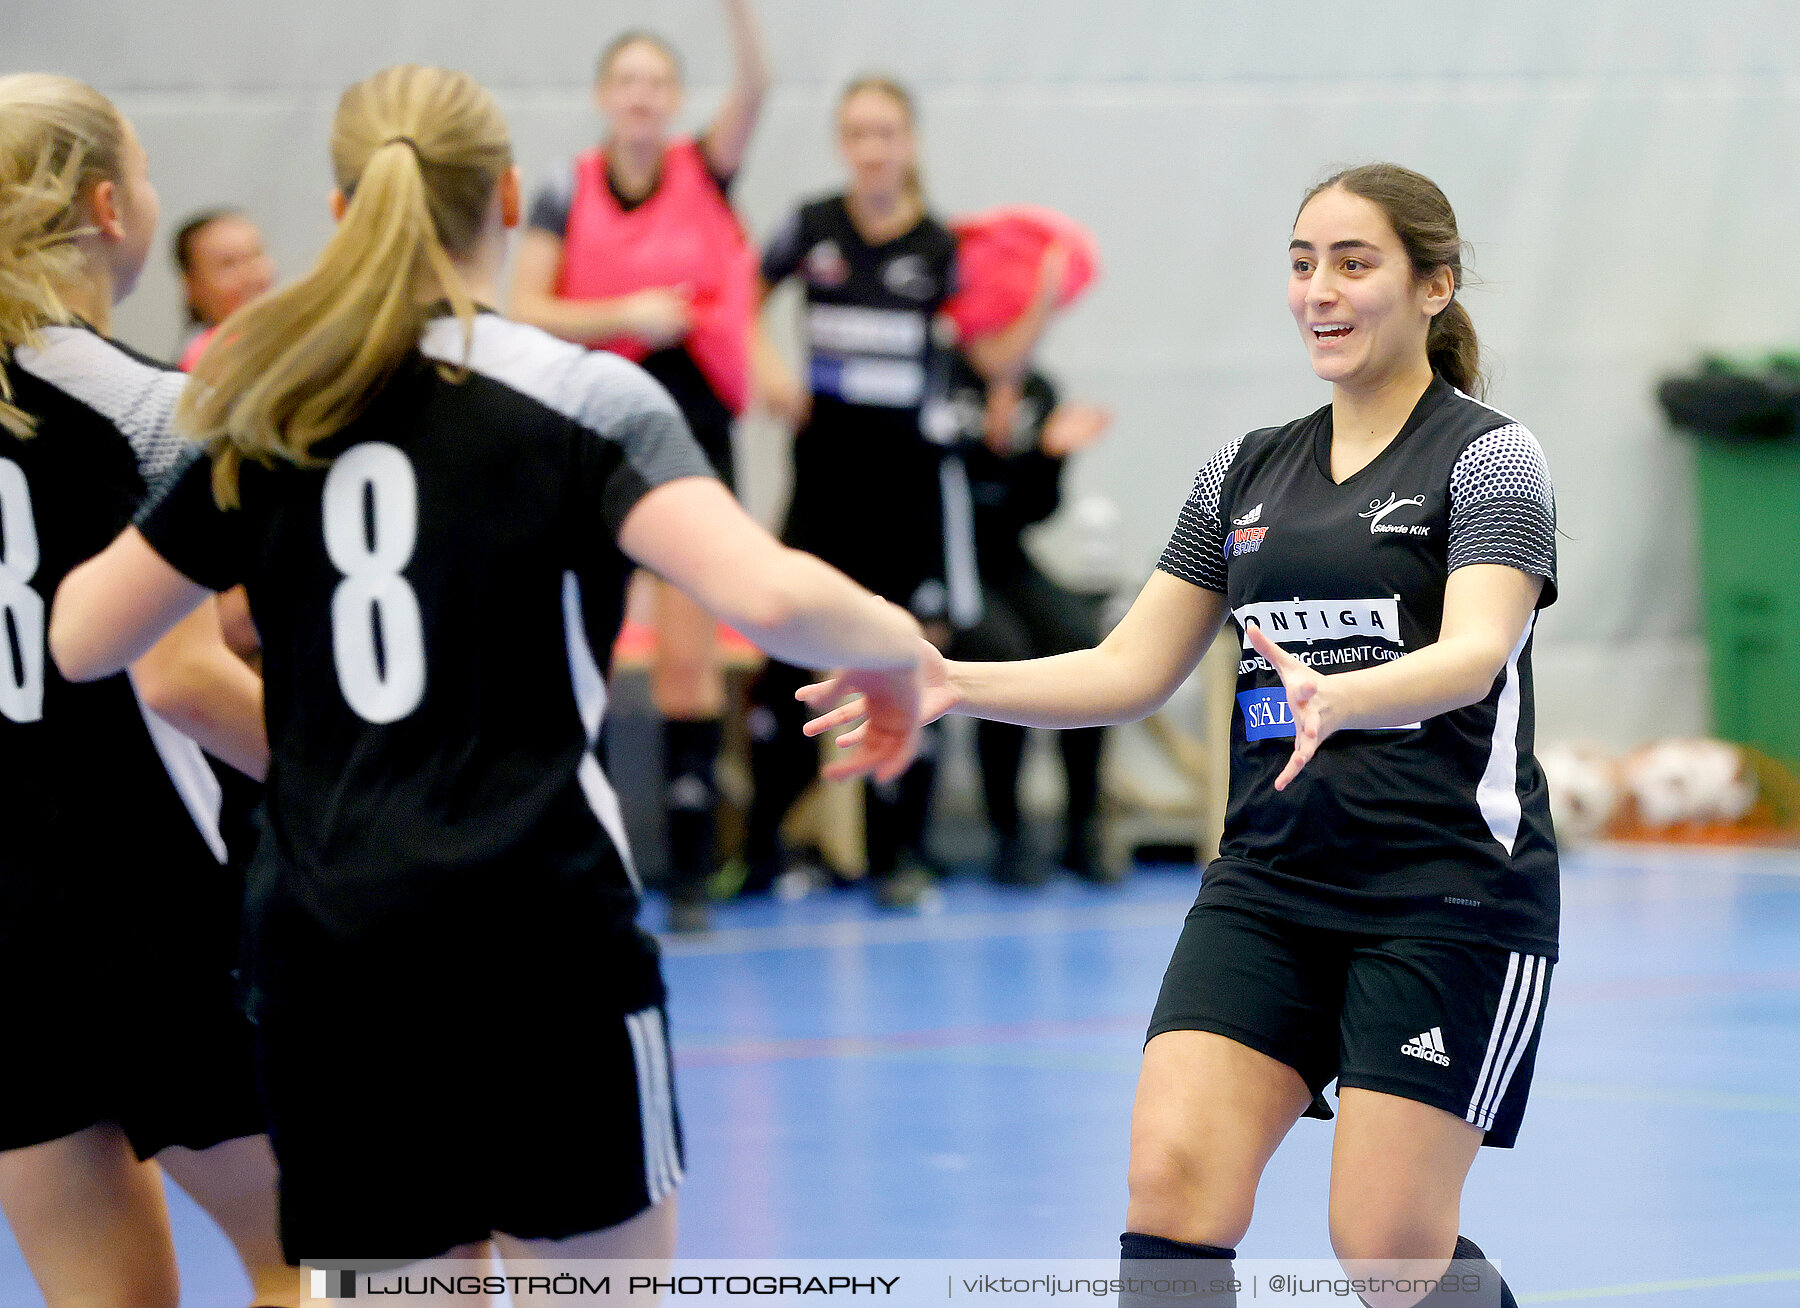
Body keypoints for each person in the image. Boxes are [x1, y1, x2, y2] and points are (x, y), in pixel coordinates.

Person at [49, 64, 923, 1274]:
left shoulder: (270, 403)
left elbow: (87, 636)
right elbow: (768, 593)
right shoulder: (582, 394)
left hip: (330, 954)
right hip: (540, 940)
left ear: (343, 212)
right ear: (510, 198)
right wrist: (902, 658)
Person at [805, 163, 1556, 1308]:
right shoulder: (1244, 471)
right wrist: (951, 682)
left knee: (1388, 1246)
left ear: (1434, 287)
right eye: (1303, 263)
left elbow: (1476, 650)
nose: (1320, 290)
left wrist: (1347, 695)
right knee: (1170, 1185)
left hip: (1444, 891)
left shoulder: (1491, 458)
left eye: (1355, 264)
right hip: (1269, 884)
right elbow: (1127, 667)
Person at [0, 73, 295, 1308]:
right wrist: (350, 783)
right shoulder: (151, 408)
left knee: (102, 1297)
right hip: (158, 890)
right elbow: (177, 678)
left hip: (8, 910)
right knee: (319, 1261)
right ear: (110, 207)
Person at [509, 2, 769, 934]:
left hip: (688, 430)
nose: (642, 97)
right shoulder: (564, 186)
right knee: (581, 640)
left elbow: (756, 91)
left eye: (657, 83)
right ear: (603, 97)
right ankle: (586, 856)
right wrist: (630, 310)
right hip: (589, 427)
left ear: (674, 99)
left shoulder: (705, 169)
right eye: (627, 82)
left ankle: (691, 869)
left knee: (689, 658)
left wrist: (741, 22)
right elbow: (525, 305)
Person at [743, 73, 1016, 908]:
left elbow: (991, 360)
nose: (872, 149)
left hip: (908, 491)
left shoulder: (940, 248)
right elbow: (740, 301)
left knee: (911, 653)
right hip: (823, 481)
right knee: (781, 652)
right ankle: (756, 850)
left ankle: (904, 855)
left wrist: (1039, 299)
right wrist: (768, 373)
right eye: (857, 133)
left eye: (886, 133)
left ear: (910, 144)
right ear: (842, 144)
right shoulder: (811, 226)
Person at [942, 351, 1115, 885]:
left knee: (1086, 647)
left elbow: (1031, 509)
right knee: (1001, 656)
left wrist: (1049, 457)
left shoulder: (1035, 386)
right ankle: (1008, 835)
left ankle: (1080, 830)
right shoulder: (940, 375)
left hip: (1005, 554)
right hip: (942, 554)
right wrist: (983, 445)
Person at [171, 207, 274, 370]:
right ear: (192, 285)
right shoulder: (206, 361)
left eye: (256, 255)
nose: (250, 275)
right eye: (228, 264)